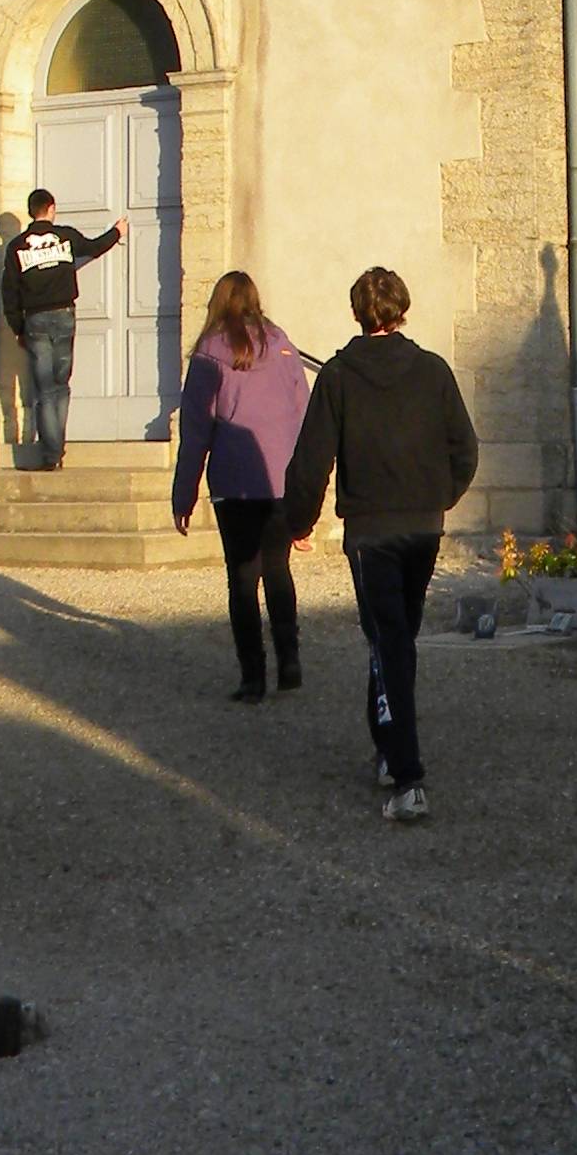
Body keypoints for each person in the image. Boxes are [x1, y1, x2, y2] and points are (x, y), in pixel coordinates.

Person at [278, 267, 479, 823]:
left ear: (358, 314)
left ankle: (408, 775)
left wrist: (298, 521)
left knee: (389, 642)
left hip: (372, 532)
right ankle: (389, 750)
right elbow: (465, 447)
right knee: (395, 638)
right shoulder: (433, 371)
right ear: (402, 310)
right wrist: (441, 496)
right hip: (422, 525)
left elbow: (312, 460)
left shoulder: (340, 377)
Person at [169, 270, 313, 700]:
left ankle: (253, 677)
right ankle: (290, 660)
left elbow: (196, 431)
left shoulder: (209, 353)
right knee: (278, 569)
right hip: (279, 477)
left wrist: (184, 493)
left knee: (242, 578)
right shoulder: (283, 345)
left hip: (234, 480)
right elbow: (303, 415)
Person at [0, 188, 125, 470]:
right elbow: (93, 247)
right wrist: (117, 232)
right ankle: (56, 448)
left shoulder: (17, 247)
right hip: (64, 315)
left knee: (44, 389)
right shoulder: (65, 237)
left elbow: (9, 291)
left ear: (31, 211)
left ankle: (51, 453)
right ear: (51, 208)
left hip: (35, 319)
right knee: (60, 385)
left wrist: (18, 327)